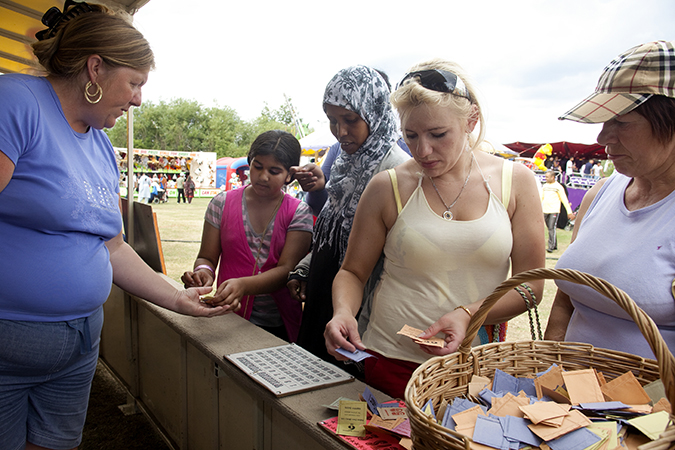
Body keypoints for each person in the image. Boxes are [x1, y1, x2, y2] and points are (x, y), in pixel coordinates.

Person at [0, 3, 235, 450]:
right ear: (95, 69)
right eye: (135, 82)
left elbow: (112, 247)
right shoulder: (16, 102)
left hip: (78, 348)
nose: (139, 99)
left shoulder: (103, 148)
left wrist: (176, 300)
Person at [324, 59, 546, 398]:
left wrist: (469, 314)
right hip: (391, 360)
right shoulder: (388, 186)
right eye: (410, 136)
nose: (422, 150)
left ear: (471, 120)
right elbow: (353, 272)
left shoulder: (515, 182)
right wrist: (343, 312)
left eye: (438, 135)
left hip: (474, 367)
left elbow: (532, 287)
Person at [545, 40, 675, 359]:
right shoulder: (601, 193)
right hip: (567, 398)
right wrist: (549, 363)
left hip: (649, 405)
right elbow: (566, 297)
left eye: (621, 122)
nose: (603, 138)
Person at [290, 66, 410, 364]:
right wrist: (308, 265)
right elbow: (334, 229)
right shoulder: (345, 161)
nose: (341, 131)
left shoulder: (397, 172)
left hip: (359, 314)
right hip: (325, 302)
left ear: (375, 112)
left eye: (350, 120)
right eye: (332, 120)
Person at [181, 130, 313, 342]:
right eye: (257, 166)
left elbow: (287, 270)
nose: (263, 176)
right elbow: (207, 257)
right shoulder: (221, 203)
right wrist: (202, 272)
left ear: (290, 175)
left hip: (278, 325)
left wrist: (243, 286)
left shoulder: (299, 213)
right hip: (228, 317)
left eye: (274, 171)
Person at [541, 170, 575, 253]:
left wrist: (569, 212)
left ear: (552, 177)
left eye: (547, 177)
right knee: (548, 227)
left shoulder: (558, 187)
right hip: (545, 210)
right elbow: (541, 197)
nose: (546, 178)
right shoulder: (544, 186)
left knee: (552, 227)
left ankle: (551, 246)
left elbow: (564, 199)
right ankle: (554, 244)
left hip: (554, 210)